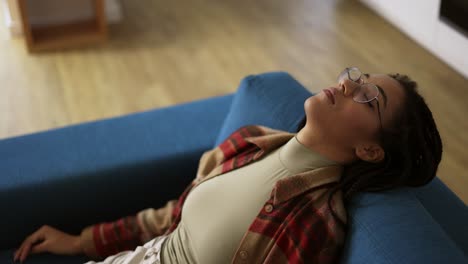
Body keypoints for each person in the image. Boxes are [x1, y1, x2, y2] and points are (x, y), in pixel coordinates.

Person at [14, 67, 442, 264]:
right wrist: (81, 241)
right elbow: (173, 219)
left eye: (369, 98)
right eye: (361, 78)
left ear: (370, 150)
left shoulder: (314, 222)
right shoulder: (252, 140)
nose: (349, 83)